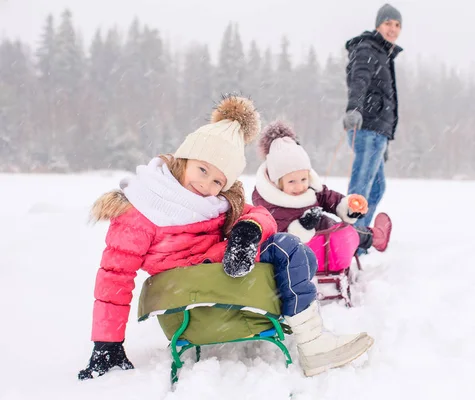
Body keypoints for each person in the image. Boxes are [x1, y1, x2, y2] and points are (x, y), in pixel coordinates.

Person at [77, 96, 374, 380]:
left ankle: (310, 335)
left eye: (218, 181)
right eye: (202, 170)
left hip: (220, 276)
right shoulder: (142, 208)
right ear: (185, 159)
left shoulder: (216, 203)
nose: (206, 185)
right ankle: (313, 344)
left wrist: (248, 231)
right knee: (289, 250)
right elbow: (114, 276)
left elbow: (260, 214)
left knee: (299, 253)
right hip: (189, 300)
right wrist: (107, 344)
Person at [252, 120, 392, 253]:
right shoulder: (270, 205)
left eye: (303, 179)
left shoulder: (311, 189)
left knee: (347, 231)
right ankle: (373, 237)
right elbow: (277, 235)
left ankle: (374, 236)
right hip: (304, 252)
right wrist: (303, 226)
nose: (300, 186)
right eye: (291, 182)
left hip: (327, 239)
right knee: (346, 234)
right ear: (277, 182)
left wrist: (347, 207)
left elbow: (329, 198)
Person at [342, 3, 402, 251]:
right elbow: (359, 80)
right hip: (366, 127)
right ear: (378, 25)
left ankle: (361, 235)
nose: (393, 29)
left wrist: (385, 140)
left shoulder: (383, 53)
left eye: (397, 25)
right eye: (388, 23)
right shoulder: (369, 48)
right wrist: (354, 108)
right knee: (361, 188)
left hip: (378, 132)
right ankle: (351, 241)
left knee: (376, 187)